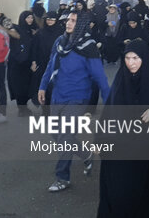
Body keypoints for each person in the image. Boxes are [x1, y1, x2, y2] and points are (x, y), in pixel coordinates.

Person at [97, 39, 149, 217]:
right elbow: (108, 113)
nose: (131, 63)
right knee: (119, 194)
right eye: (127, 58)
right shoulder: (121, 81)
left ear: (144, 58)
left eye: (135, 58)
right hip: (122, 150)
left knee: (148, 197)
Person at [38, 11, 110, 192]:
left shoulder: (89, 46)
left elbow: (100, 77)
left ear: (82, 24)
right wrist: (42, 86)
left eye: (73, 21)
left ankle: (62, 178)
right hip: (57, 96)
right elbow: (50, 65)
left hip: (77, 98)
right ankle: (86, 154)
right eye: (68, 20)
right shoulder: (60, 42)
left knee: (65, 136)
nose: (68, 23)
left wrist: (110, 102)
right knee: (57, 134)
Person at [30, 11, 62, 107]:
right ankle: (46, 109)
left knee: (57, 86)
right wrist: (34, 61)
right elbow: (34, 48)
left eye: (52, 19)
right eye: (48, 19)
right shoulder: (40, 33)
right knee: (44, 86)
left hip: (58, 63)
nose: (49, 21)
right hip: (43, 63)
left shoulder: (61, 32)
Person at [8, 11, 37, 116]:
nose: (30, 20)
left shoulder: (32, 31)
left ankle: (24, 107)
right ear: (23, 19)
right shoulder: (17, 29)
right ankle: (21, 109)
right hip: (17, 63)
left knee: (27, 86)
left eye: (31, 18)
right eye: (28, 18)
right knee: (19, 86)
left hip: (28, 63)